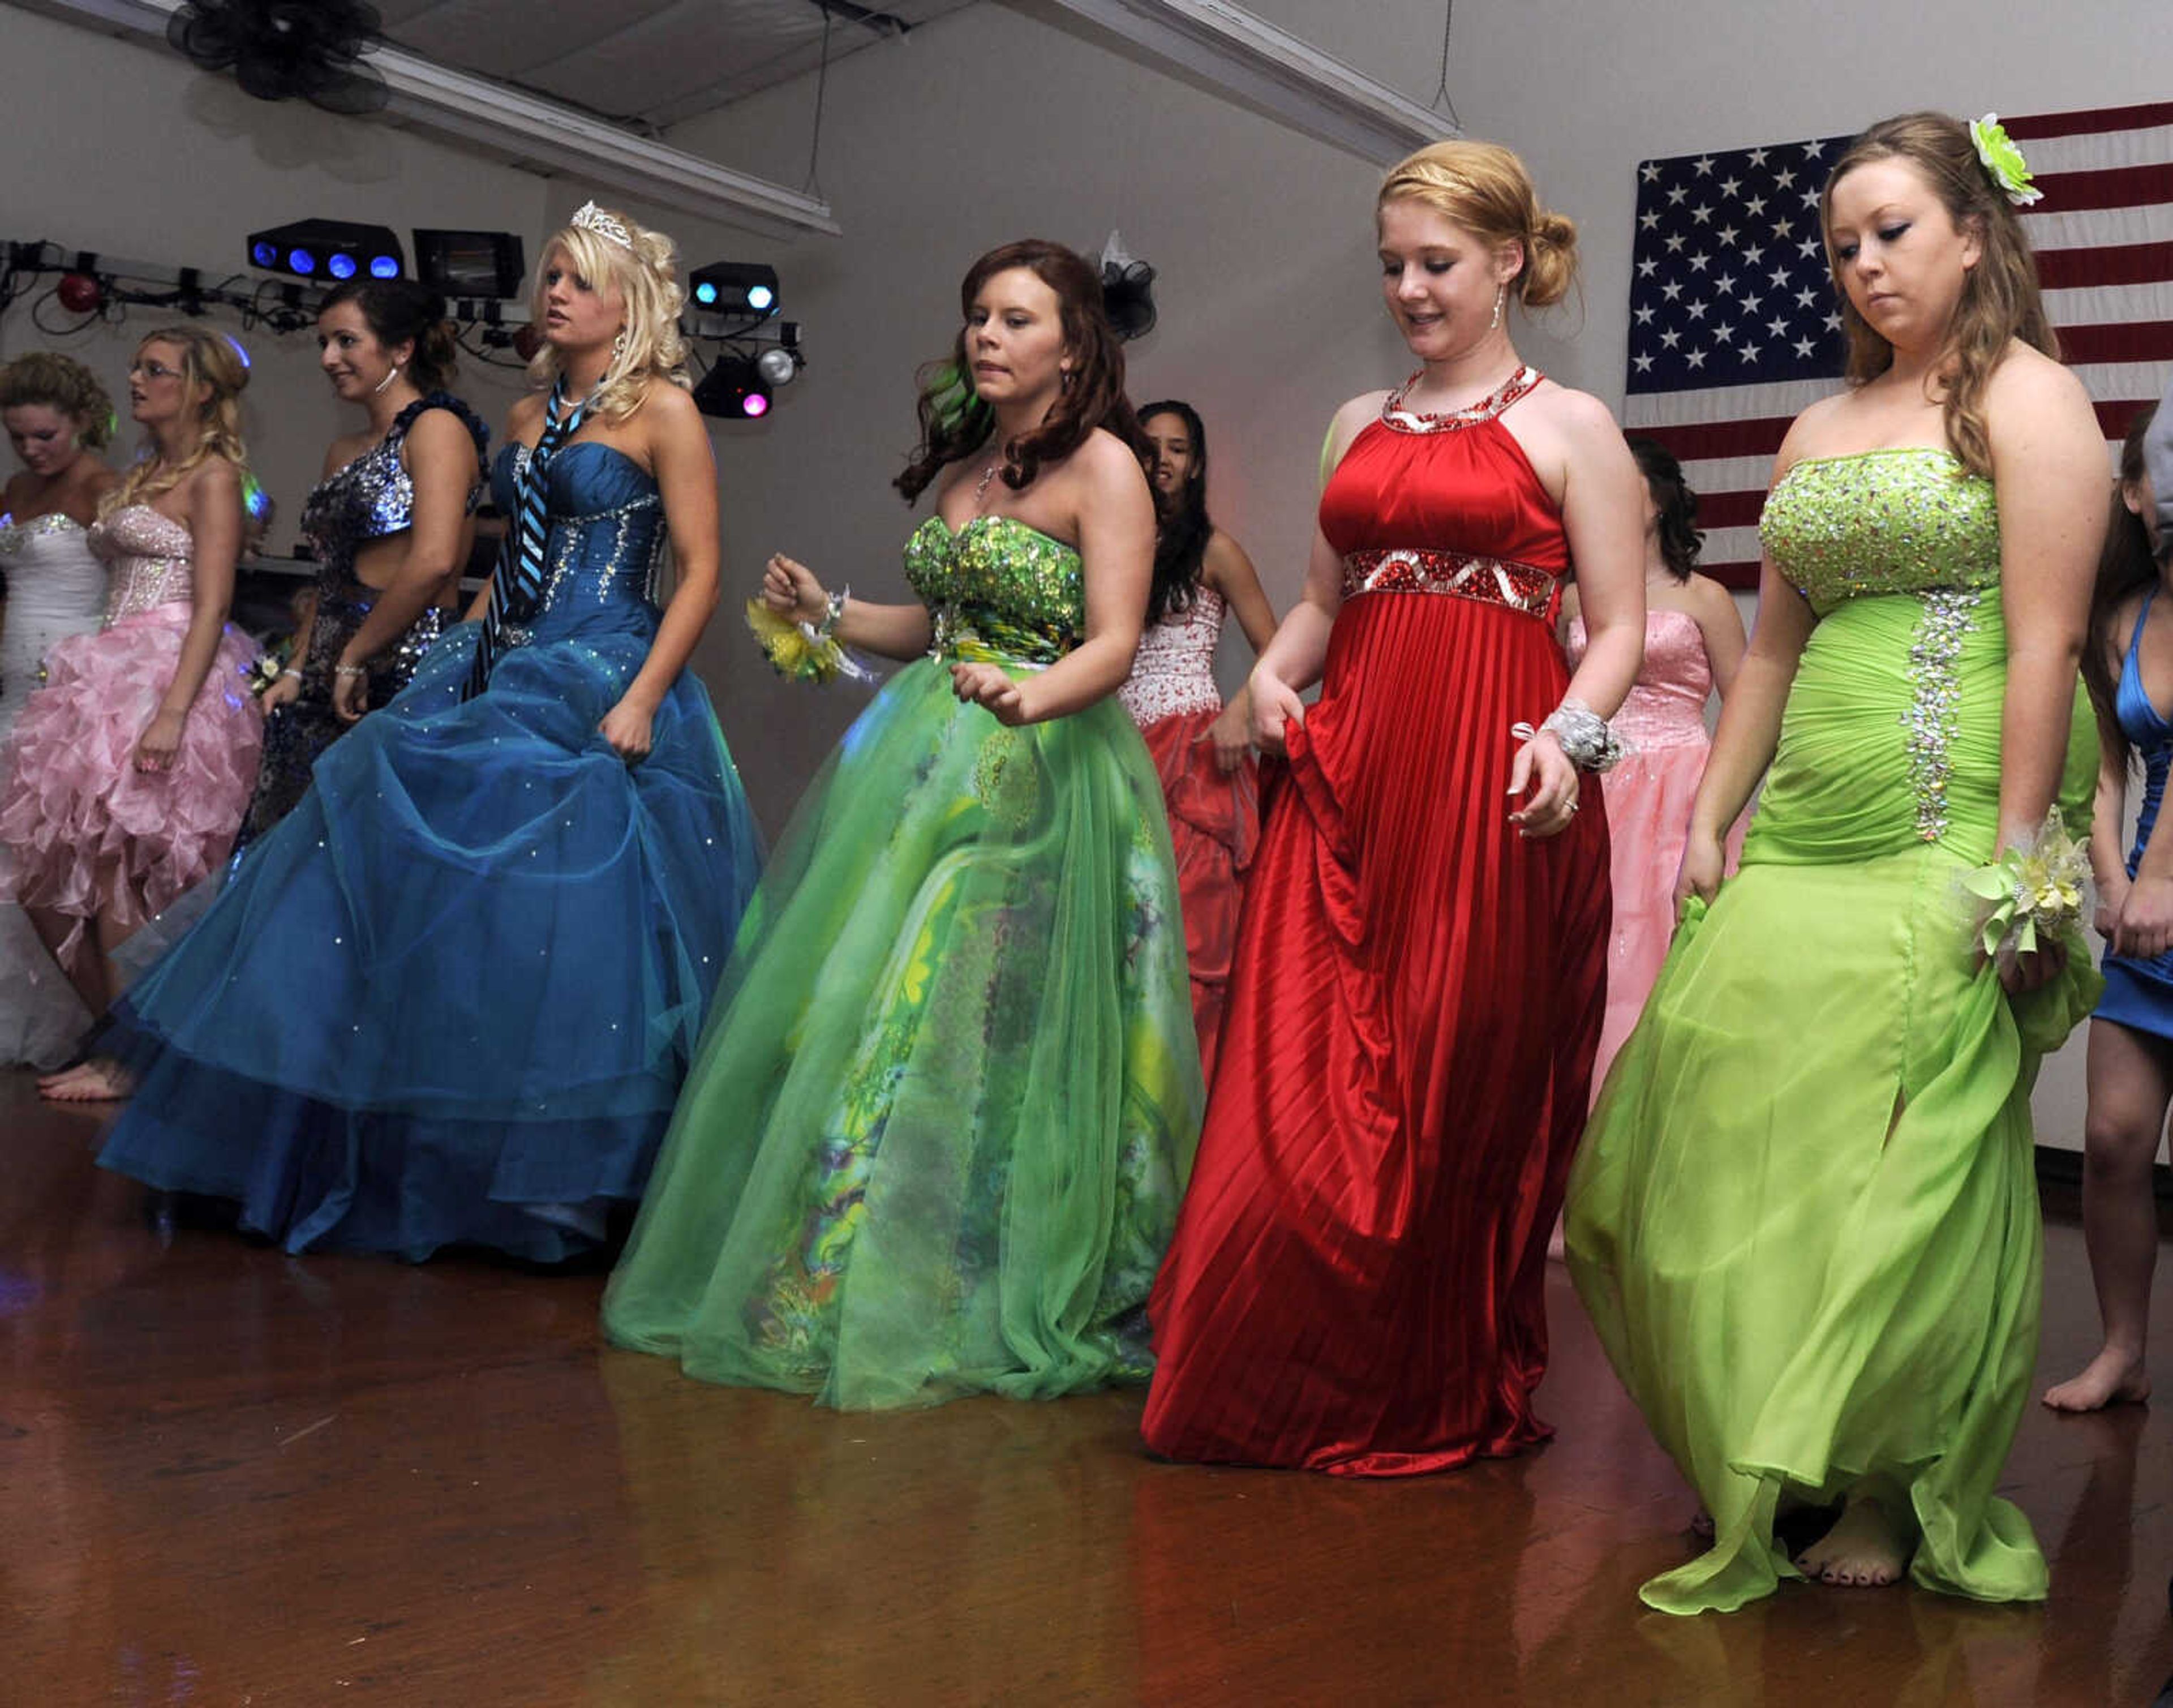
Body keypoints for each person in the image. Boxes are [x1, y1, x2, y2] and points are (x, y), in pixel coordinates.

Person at [1564, 111, 2107, 1612]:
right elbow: (1769, 655)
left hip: (1951, 823)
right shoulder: (1813, 430)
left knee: (1901, 1146)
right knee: (1735, 1117)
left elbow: (2051, 639)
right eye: (1843, 244)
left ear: (1976, 236)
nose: (1864, 264)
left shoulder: (2034, 403)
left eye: (1893, 231)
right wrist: (1704, 818)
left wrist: (2015, 868)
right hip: (1805, 825)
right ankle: (1782, 1439)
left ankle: (1886, 1477)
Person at [93, 203, 763, 1261]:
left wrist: (640, 695)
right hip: (502, 650)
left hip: (608, 659)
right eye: (548, 274)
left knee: (564, 904)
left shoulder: (666, 411)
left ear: (628, 303)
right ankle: (386, 1141)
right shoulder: (531, 416)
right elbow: (513, 564)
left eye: (578, 280)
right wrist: (448, 650)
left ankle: (556, 1176)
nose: (553, 293)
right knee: (372, 845)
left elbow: (704, 569)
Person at [603, 238, 1203, 1408]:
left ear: (1073, 346)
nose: (986, 335)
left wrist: (1035, 694)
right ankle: (842, 1271)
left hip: (1045, 768)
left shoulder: (1107, 470)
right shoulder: (970, 472)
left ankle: (980, 1274)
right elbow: (934, 630)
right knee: (865, 1005)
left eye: (1016, 319)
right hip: (929, 755)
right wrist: (830, 609)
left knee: (974, 1019)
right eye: (978, 315)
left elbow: (1118, 641)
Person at [1140, 139, 1647, 1473]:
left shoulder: (1572, 426)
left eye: (1435, 263)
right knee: (1292, 1070)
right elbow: (1318, 598)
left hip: (1495, 781)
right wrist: (1267, 688)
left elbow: (1616, 627)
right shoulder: (1356, 423)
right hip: (1348, 774)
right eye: (1392, 265)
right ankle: (1267, 1364)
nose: (1410, 289)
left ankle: (1419, 1374)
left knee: (1444, 1086)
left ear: (1507, 264)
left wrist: (1568, 743)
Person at [0, 328, 263, 1099]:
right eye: (138, 367)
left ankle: (132, 1056)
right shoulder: (145, 472)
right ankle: (125, 1038)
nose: (138, 380)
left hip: (167, 671)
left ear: (202, 389)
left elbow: (214, 602)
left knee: (117, 873)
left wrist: (174, 712)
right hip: (106, 666)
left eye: (157, 370)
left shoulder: (215, 475)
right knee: (42, 871)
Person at [239, 278, 487, 846]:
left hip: (404, 670)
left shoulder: (437, 430)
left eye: (346, 341)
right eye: (324, 343)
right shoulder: (343, 449)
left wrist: (355, 655)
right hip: (332, 669)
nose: (329, 359)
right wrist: (300, 668)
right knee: (286, 847)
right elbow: (331, 576)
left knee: (365, 851)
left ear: (402, 349)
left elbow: (433, 562)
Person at [2043, 402, 2167, 1413]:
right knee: (2116, 1139)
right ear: (2134, 492)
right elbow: (2106, 767)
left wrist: (2162, 876)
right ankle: (2123, 1351)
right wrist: (2113, 879)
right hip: (2142, 928)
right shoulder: (2122, 616)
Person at [1563, 437, 1747, 1089]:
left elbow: (1745, 708)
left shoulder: (1707, 599)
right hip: (1595, 787)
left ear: (1661, 502)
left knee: (1662, 945)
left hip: (1679, 787)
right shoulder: (1569, 600)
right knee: (1586, 944)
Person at [1118, 400, 1278, 1084]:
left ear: (1197, 463)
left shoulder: (1215, 550)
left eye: (1178, 448)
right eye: (1149, 445)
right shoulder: (1106, 540)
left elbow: (1278, 656)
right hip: (1114, 751)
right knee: (1115, 932)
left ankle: (1183, 1104)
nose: (1162, 459)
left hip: (1193, 758)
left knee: (1188, 938)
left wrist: (1242, 711)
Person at [0, 353, 117, 1066]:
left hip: (70, 687)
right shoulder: (15, 488)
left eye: (46, 436)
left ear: (81, 422)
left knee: (51, 861)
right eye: (19, 437)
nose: (33, 450)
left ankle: (104, 1026)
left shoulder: (108, 488)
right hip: (13, 683)